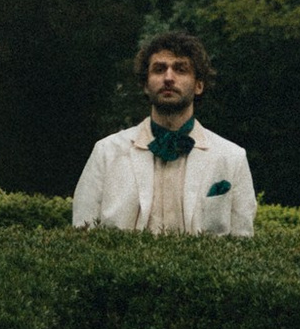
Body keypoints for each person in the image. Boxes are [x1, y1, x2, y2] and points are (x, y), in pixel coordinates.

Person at [72, 31, 257, 238]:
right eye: (159, 69)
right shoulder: (106, 152)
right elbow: (83, 234)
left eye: (180, 69)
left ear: (199, 85)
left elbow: (242, 241)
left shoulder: (232, 158)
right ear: (145, 85)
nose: (168, 78)